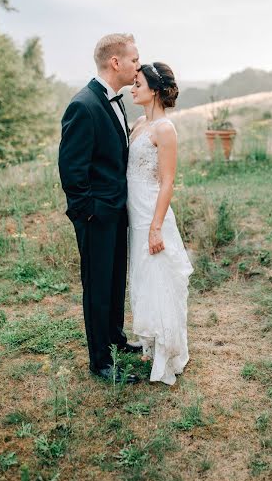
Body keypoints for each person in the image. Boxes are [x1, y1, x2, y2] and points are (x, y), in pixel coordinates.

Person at [58, 33, 141, 383]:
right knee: (97, 287)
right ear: (116, 63)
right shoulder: (84, 105)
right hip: (96, 216)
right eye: (134, 60)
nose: (139, 66)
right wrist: (88, 212)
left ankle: (115, 339)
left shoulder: (114, 101)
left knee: (114, 281)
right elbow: (72, 170)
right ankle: (100, 363)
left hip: (116, 211)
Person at [127, 62, 193, 385]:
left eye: (137, 84)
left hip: (153, 213)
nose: (132, 88)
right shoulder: (139, 123)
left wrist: (156, 226)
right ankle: (151, 344)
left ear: (154, 90)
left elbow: (167, 182)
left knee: (162, 278)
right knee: (144, 278)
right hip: (135, 213)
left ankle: (168, 355)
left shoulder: (165, 129)